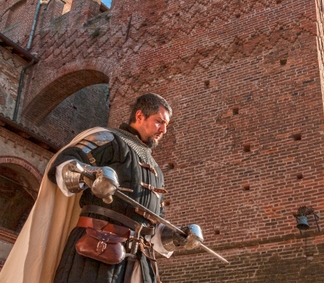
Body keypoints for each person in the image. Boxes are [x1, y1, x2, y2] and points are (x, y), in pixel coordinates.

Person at [0, 93, 202, 283]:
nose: (163, 130)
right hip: (97, 252)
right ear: (140, 116)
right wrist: (92, 175)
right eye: (159, 121)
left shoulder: (156, 171)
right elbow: (63, 165)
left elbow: (153, 223)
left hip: (140, 262)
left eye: (166, 124)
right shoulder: (109, 140)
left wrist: (175, 237)